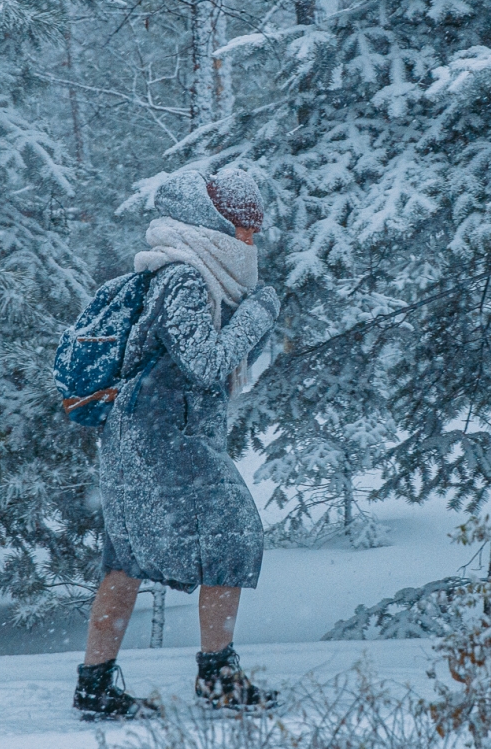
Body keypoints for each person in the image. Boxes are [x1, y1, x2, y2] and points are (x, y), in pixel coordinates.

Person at [72, 168, 281, 720]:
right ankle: (218, 678)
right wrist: (259, 315)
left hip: (143, 434)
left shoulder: (187, 275)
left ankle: (94, 686)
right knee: (232, 532)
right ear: (212, 222)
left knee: (126, 556)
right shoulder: (185, 278)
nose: (250, 240)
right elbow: (205, 363)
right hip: (161, 436)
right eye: (242, 227)